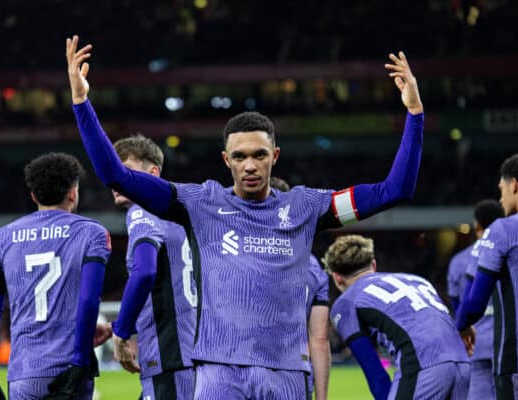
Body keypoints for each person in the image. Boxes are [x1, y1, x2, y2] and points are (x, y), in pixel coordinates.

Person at [66, 34, 424, 399]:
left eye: (259, 154)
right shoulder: (198, 203)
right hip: (218, 375)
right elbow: (117, 176)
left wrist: (414, 116)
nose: (250, 165)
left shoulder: (307, 207)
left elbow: (394, 191)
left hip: (286, 376)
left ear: (275, 155)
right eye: (239, 156)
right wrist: (82, 103)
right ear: (226, 160)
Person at [0, 153, 112, 399]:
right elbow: (88, 301)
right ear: (73, 192)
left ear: (33, 196)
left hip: (23, 374)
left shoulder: (2, 239)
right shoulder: (92, 233)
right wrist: (80, 361)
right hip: (71, 370)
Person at [325, 234, 470, 399]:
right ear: (373, 264)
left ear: (336, 278)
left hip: (422, 363)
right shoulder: (417, 280)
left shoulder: (345, 303)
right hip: (463, 361)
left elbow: (374, 371)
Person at [106, 135, 197, 399]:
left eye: (125, 171)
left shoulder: (142, 210)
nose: (116, 180)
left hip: (170, 354)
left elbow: (144, 271)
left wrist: (121, 332)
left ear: (153, 173)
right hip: (194, 351)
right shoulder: (182, 215)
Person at [456, 153, 518, 399]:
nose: (501, 196)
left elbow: (475, 302)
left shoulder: (503, 230)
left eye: (502, 188)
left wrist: (463, 325)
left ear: (514, 184)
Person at [270, 177, 330, 400]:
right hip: (296, 374)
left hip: (241, 372)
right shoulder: (314, 267)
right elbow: (320, 339)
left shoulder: (234, 250)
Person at [447, 199, 503, 399]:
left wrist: (463, 329)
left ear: (476, 226)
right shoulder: (510, 251)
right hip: (509, 343)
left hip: (475, 345)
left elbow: (457, 306)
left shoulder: (459, 261)